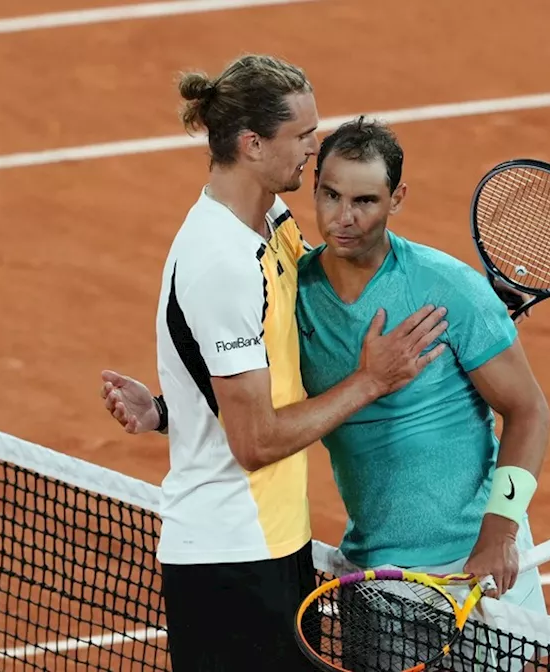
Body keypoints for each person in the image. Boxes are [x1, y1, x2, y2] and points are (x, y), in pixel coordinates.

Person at [130, 54, 450, 672]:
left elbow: (286, 350)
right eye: (302, 135)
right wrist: (371, 381)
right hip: (230, 563)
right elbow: (256, 440)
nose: (314, 147)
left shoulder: (270, 223)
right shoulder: (221, 263)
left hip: (273, 545)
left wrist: (175, 410)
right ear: (252, 143)